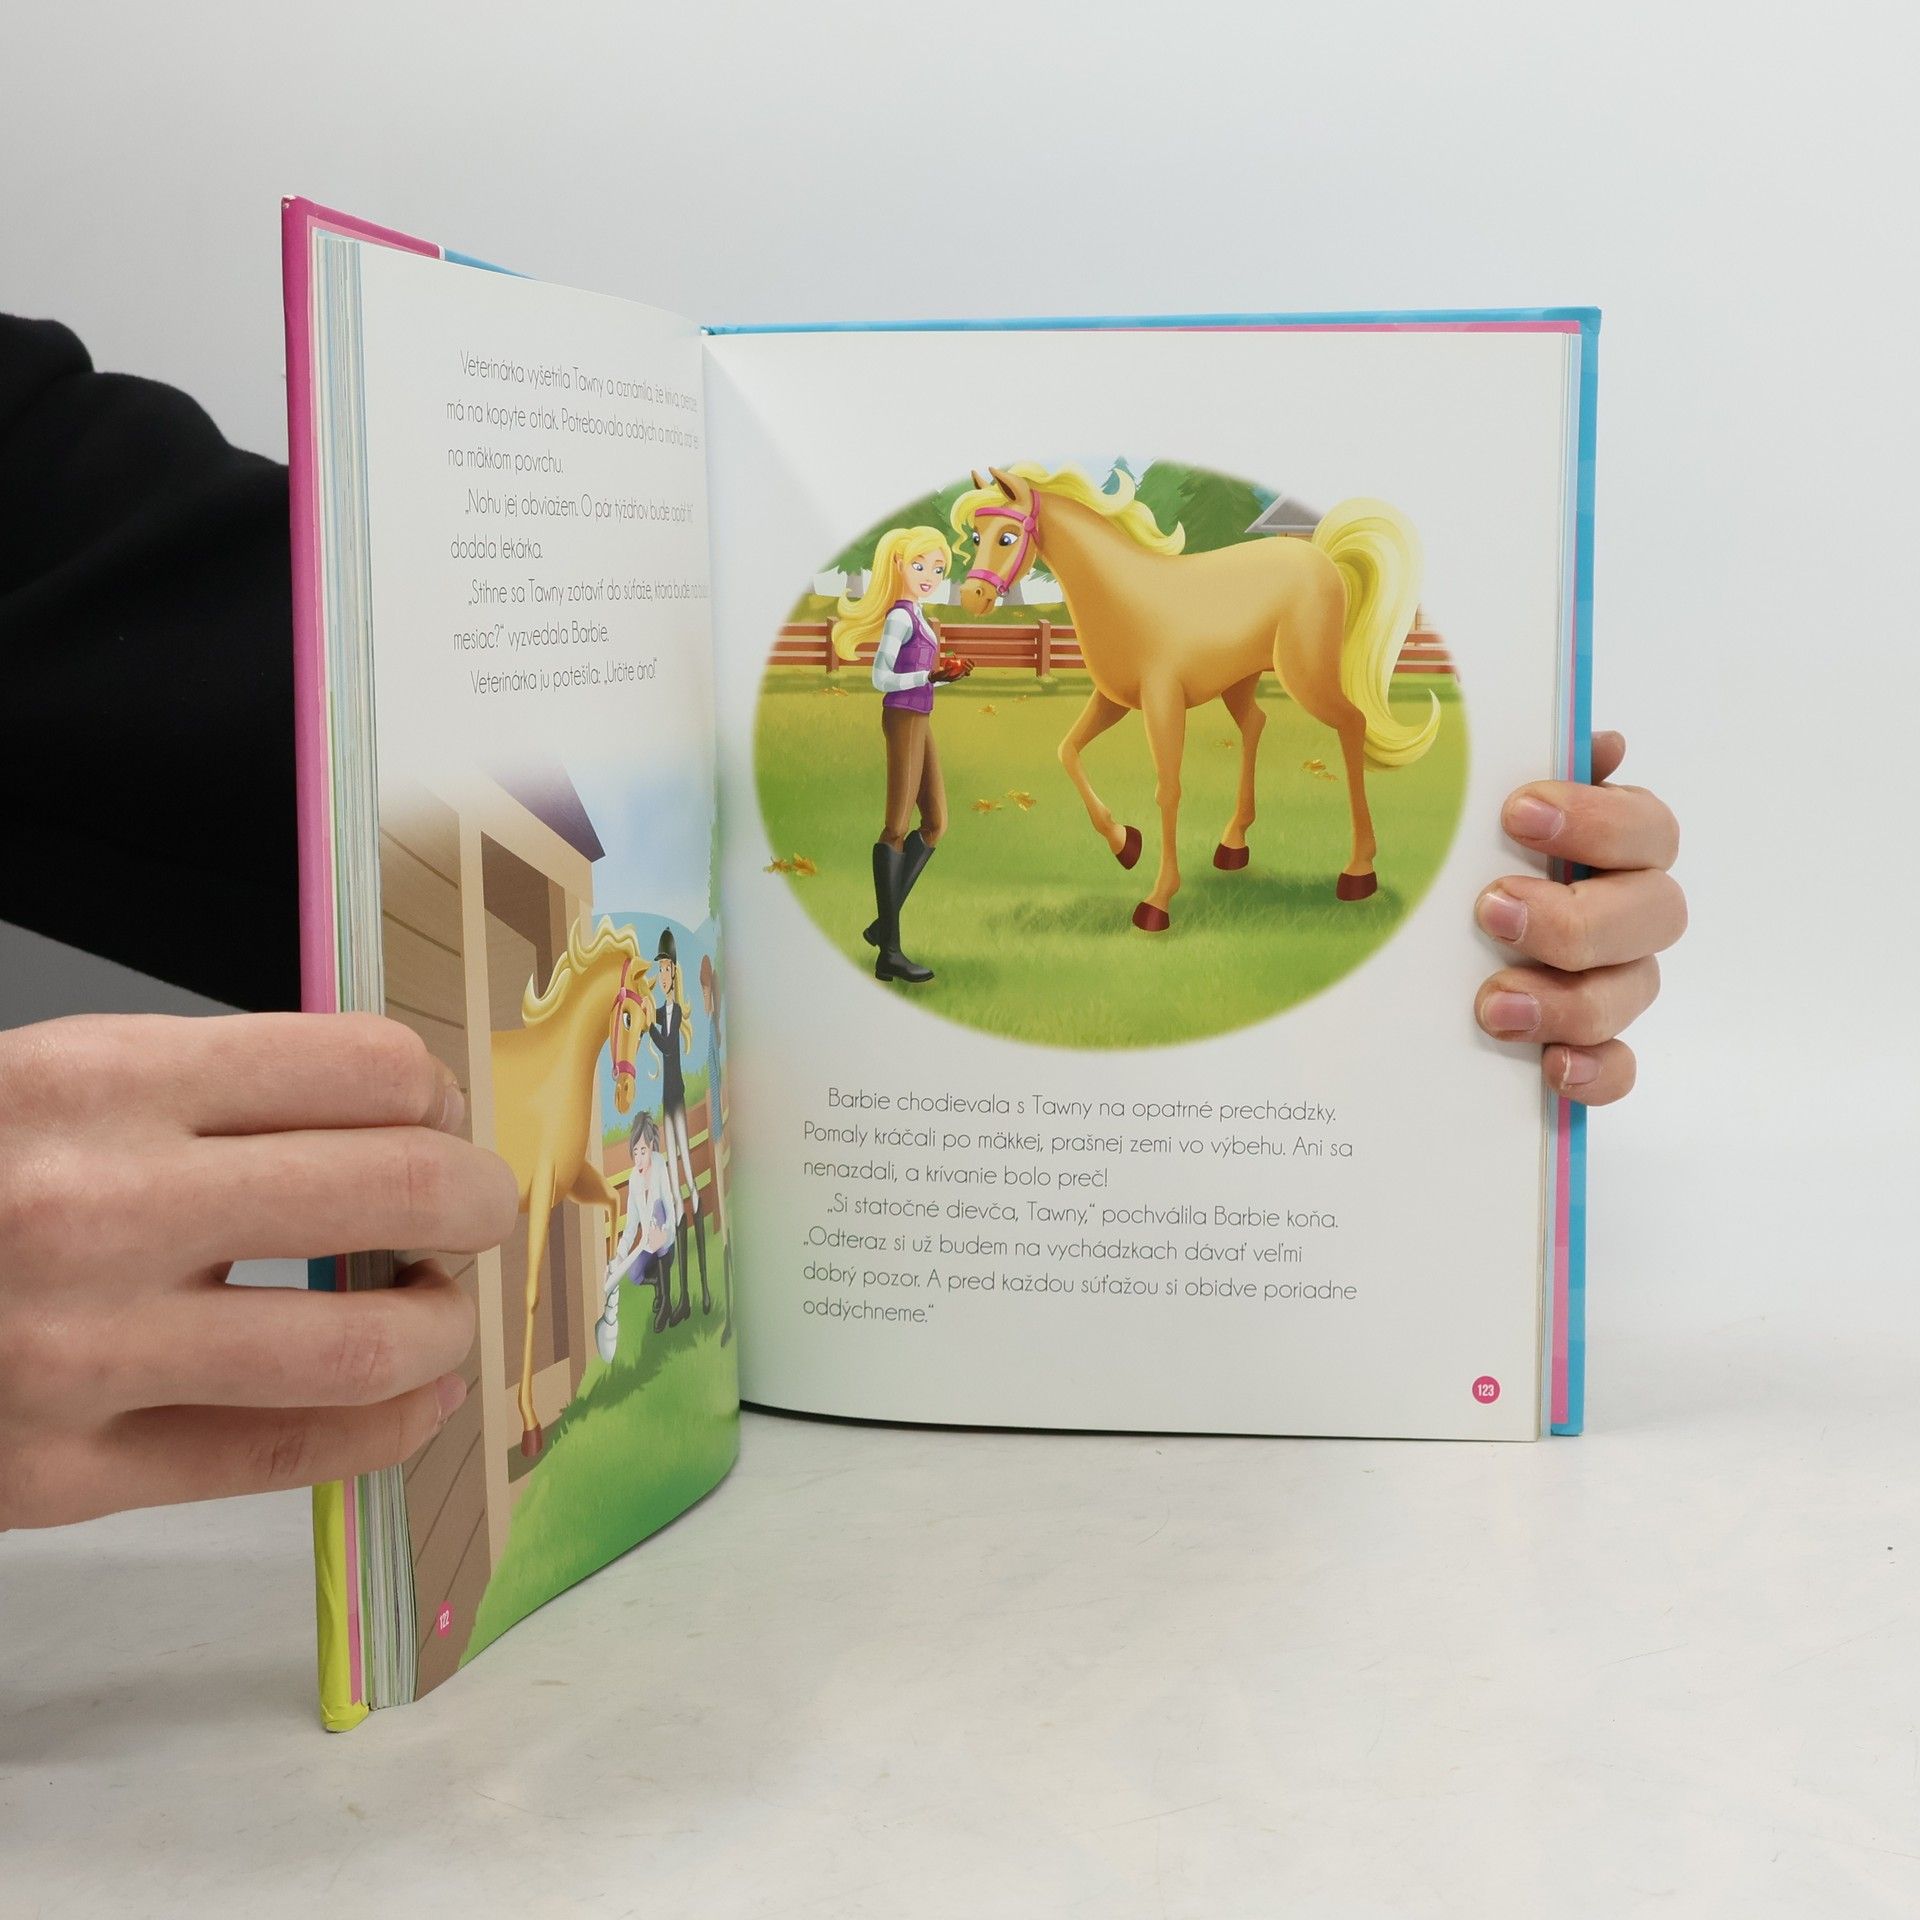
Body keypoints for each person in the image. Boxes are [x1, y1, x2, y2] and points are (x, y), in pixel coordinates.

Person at [0, 317, 1685, 1530]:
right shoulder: (915, 632)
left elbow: (158, 613)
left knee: (961, 819)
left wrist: (1474, 884)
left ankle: (1039, 902)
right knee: (927, 824)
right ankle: (970, 910)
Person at [829, 526, 973, 985]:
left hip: (920, 717)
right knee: (896, 826)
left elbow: (919, 672)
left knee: (936, 823)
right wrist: (927, 678)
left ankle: (881, 925)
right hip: (903, 717)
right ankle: (889, 952)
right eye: (919, 565)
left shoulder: (920, 615)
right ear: (898, 565)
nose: (929, 575)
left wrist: (944, 675)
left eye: (938, 568)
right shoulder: (900, 617)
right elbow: (880, 677)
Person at [643, 928, 706, 1328]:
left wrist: (649, 1022)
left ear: (674, 973)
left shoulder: (676, 1010)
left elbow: (668, 1048)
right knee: (673, 1185)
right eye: (660, 970)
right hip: (666, 1103)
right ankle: (679, 1297)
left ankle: (700, 1289)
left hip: (678, 1099)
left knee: (690, 1178)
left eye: (666, 969)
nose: (662, 976)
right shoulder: (663, 1011)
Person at [594, 1114, 677, 1363]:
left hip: (665, 1241)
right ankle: (659, 1285)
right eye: (635, 1152)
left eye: (643, 1151)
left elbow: (670, 1206)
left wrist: (665, 1233)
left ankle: (666, 1301)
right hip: (647, 1245)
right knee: (634, 1275)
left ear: (651, 1146)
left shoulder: (660, 1167)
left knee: (658, 1209)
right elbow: (630, 1226)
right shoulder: (634, 1179)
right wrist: (618, 1257)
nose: (639, 1158)